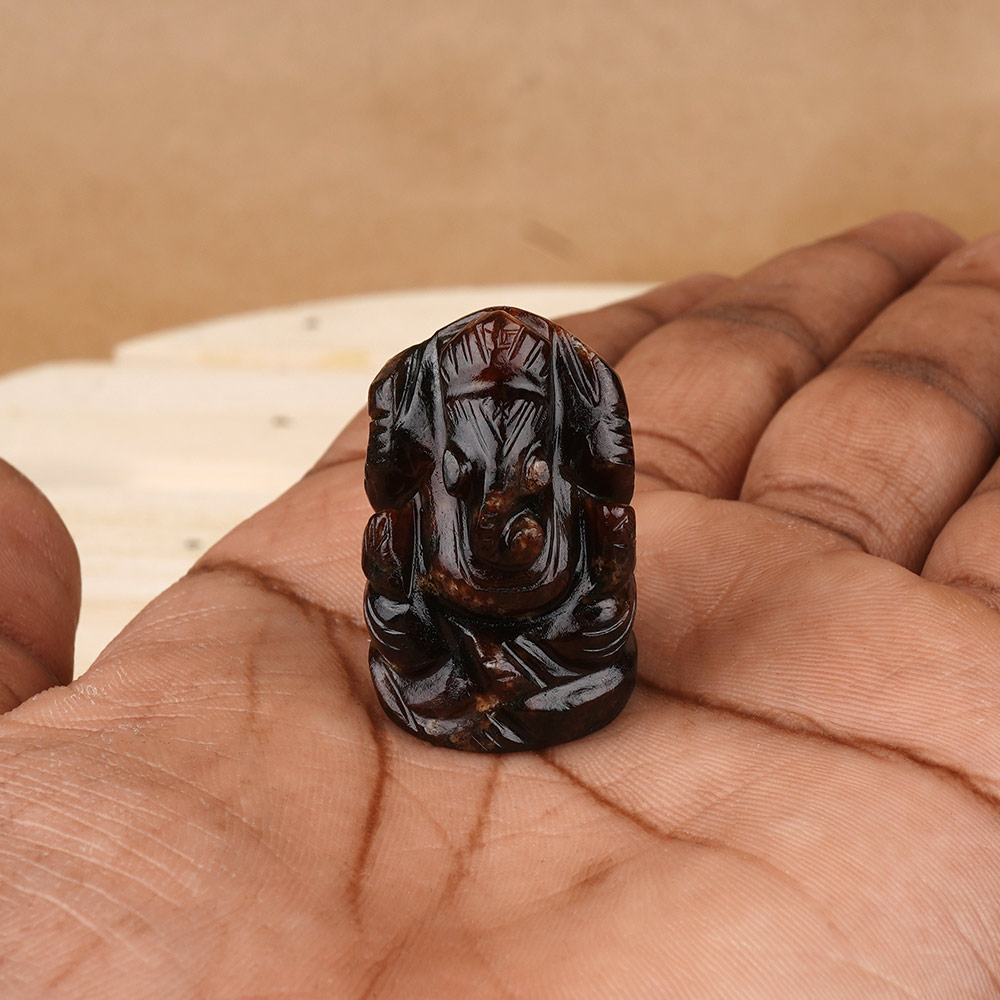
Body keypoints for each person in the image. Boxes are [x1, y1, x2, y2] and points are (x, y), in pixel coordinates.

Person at [0, 212, 997, 997]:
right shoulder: (414, 439)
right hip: (444, 617)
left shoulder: (581, 427)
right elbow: (392, 501)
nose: (497, 424)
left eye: (519, 405)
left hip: (559, 620)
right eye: (477, 406)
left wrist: (566, 568)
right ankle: (471, 677)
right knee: (399, 567)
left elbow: (608, 491)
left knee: (597, 577)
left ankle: (515, 674)